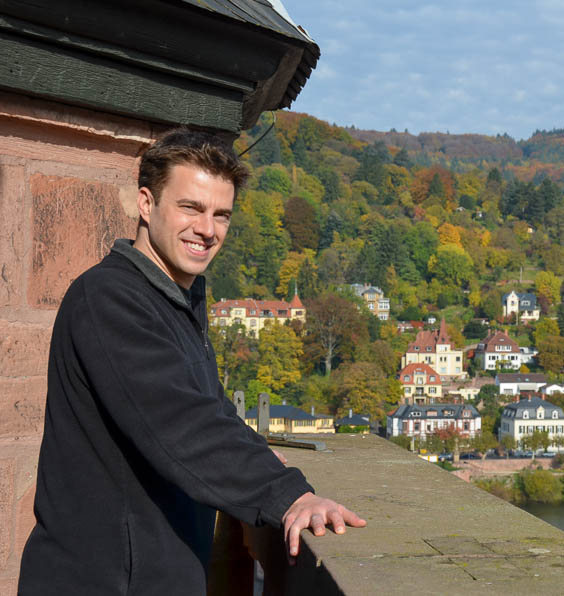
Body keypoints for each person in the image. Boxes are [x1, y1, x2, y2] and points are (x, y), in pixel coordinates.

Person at [19, 129, 365, 594]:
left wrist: (256, 455)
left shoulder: (175, 301)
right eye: (191, 208)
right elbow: (181, 425)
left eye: (221, 214)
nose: (208, 229)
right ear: (146, 203)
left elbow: (211, 409)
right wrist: (288, 495)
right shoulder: (108, 299)